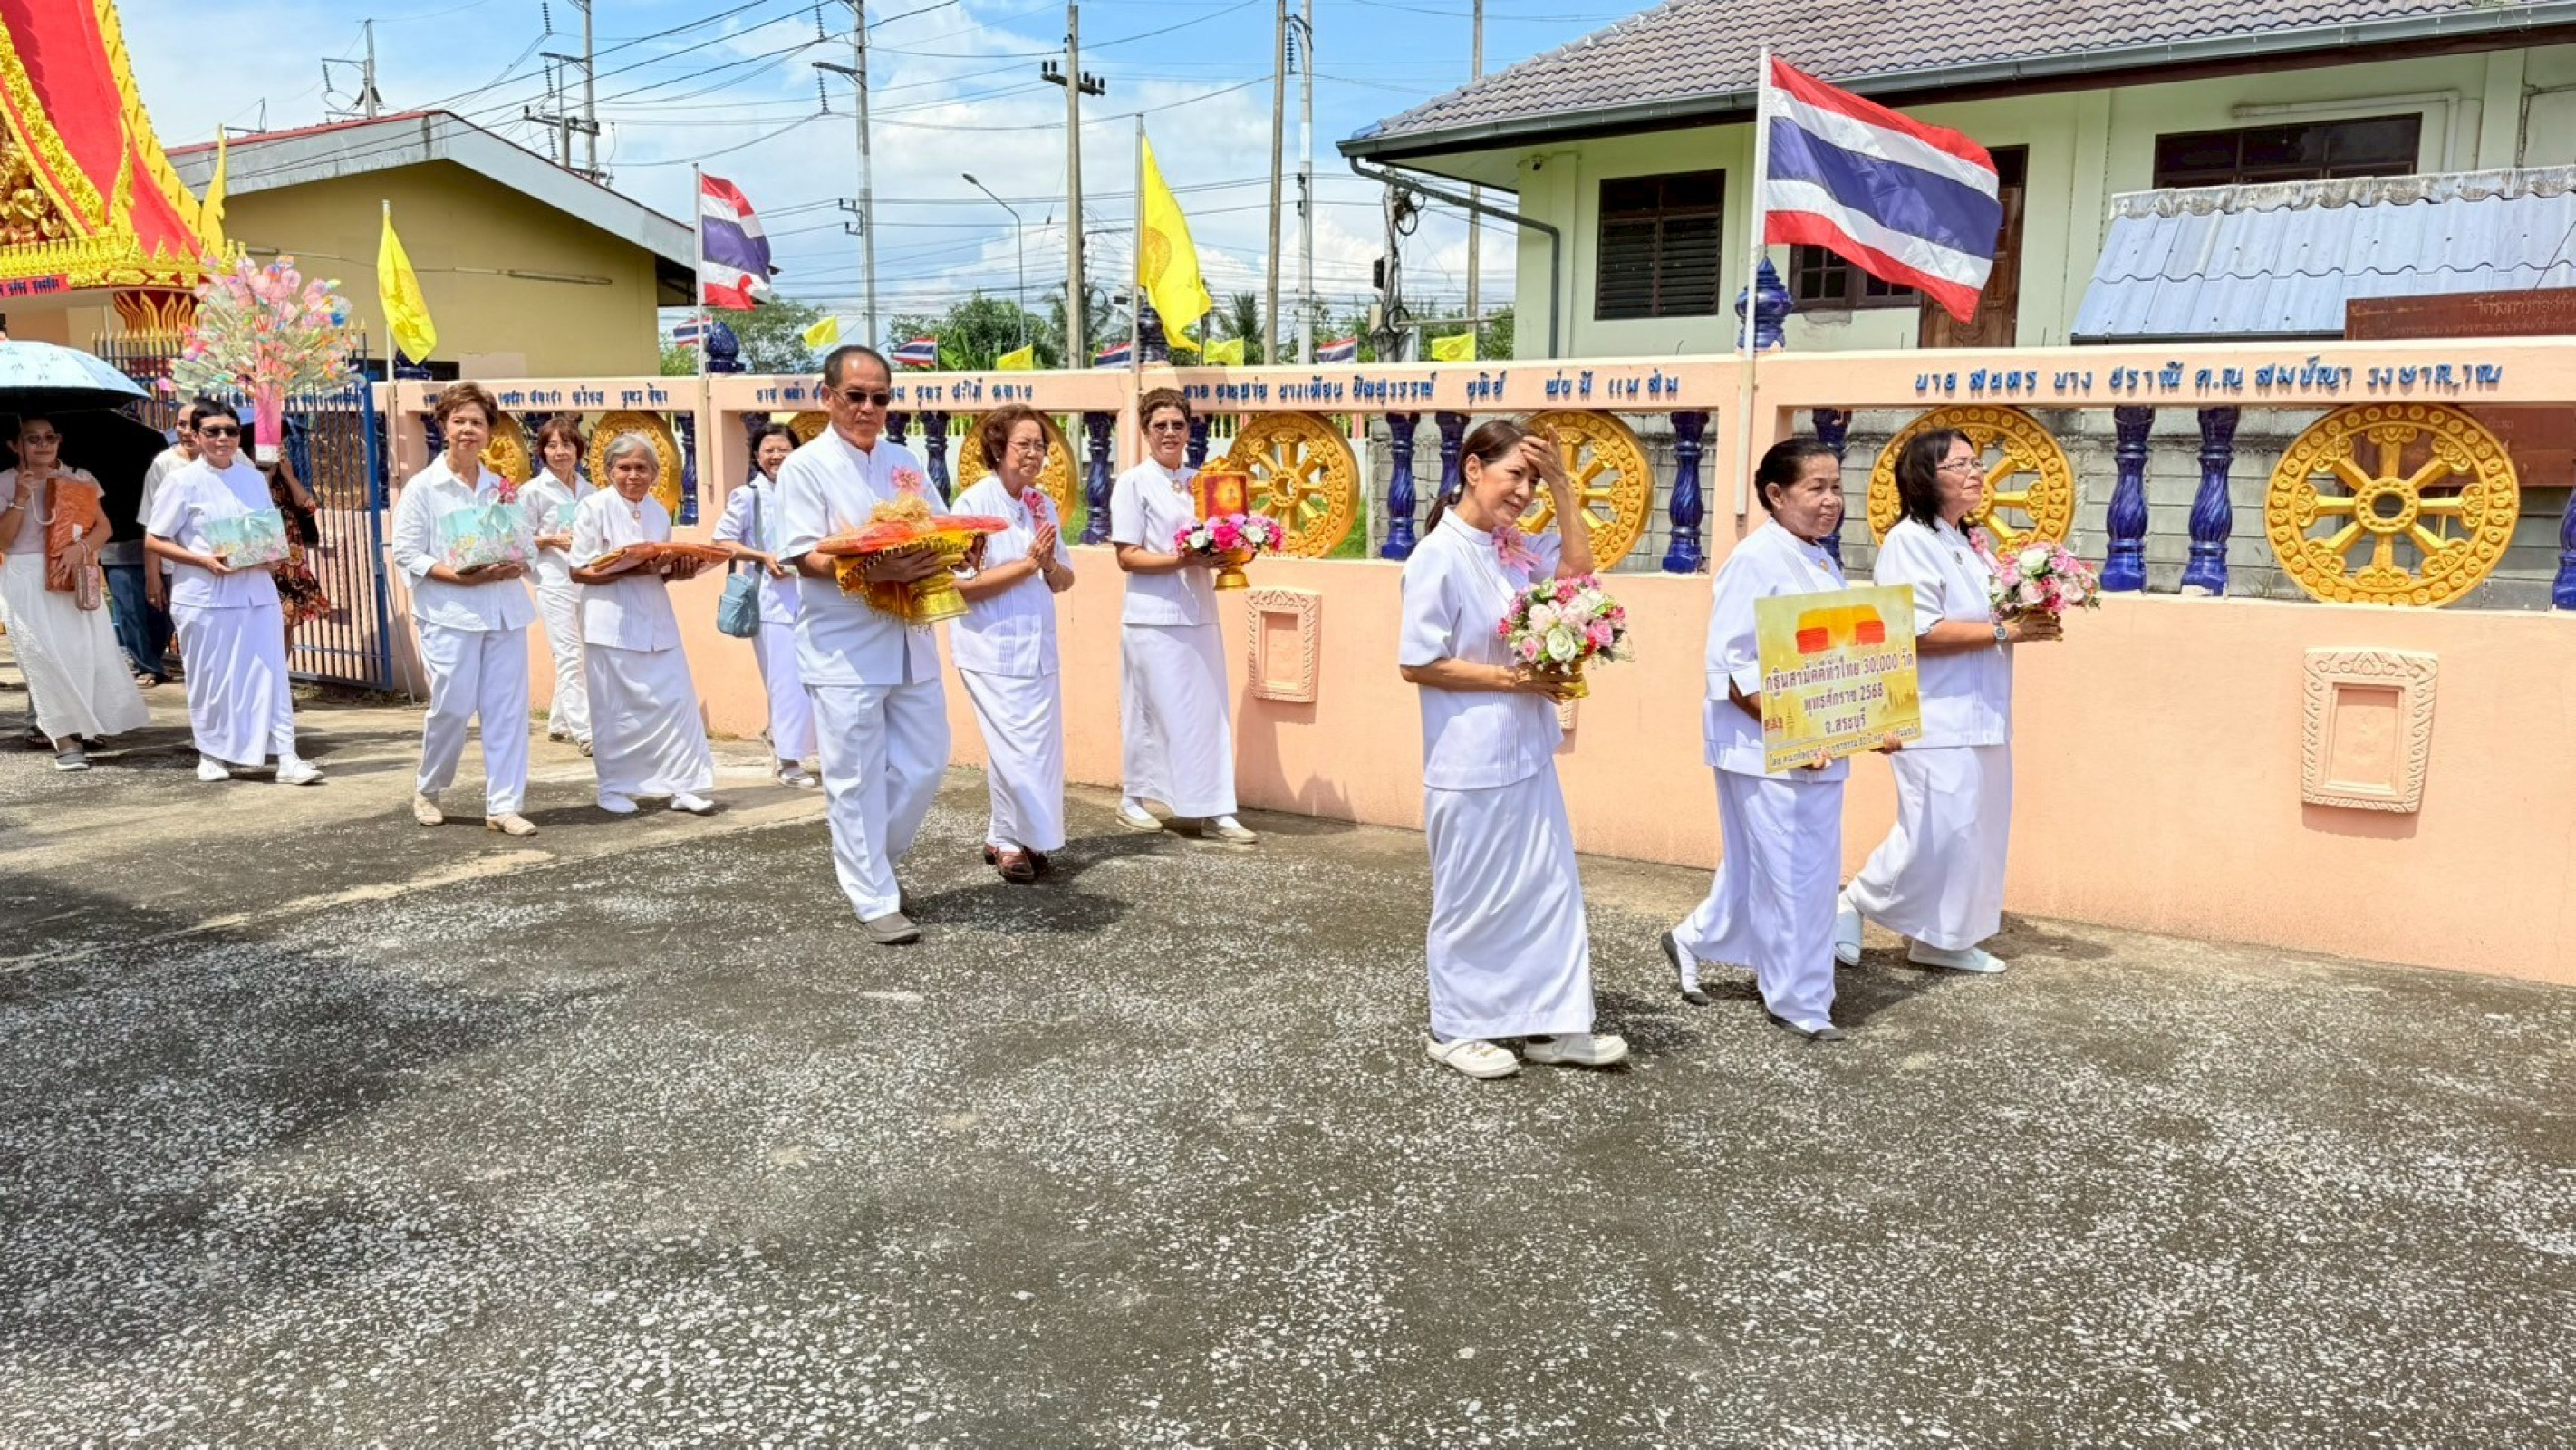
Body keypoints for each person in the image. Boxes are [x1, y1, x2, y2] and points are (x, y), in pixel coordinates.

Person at [1399, 420, 1627, 1078]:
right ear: (1472, 470)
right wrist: (1514, 678)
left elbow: (1579, 578)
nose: (1522, 491)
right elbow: (1418, 661)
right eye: (1514, 476)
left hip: (1525, 747)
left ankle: (1554, 1024)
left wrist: (1561, 486)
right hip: (1467, 754)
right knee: (1472, 896)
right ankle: (1454, 1027)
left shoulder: (1512, 549)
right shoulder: (1438, 556)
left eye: (1531, 479)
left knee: (1547, 888)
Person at [1662, 438, 1896, 1041]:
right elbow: (1731, 665)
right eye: (1815, 488)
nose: (1830, 501)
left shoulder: (1816, 557)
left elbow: (1835, 663)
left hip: (1809, 743)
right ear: (1775, 494)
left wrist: (1870, 726)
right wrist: (1792, 729)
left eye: (1835, 487)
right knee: (1798, 873)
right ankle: (1799, 1002)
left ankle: (1693, 938)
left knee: (1763, 867)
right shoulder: (1756, 558)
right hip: (1767, 745)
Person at [1838, 430, 2060, 974]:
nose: (1976, 472)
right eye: (1959, 464)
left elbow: (1990, 618)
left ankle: (1942, 937)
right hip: (1935, 712)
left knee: (1975, 832)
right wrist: (2009, 633)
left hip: (1984, 708)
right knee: (1934, 830)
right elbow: (1912, 631)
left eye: (1976, 462)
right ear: (1924, 477)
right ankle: (1852, 902)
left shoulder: (1968, 543)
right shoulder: (1909, 541)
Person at [776, 344, 954, 944]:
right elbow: (803, 552)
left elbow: (937, 523)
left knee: (925, 761)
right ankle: (873, 895)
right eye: (856, 396)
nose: (869, 408)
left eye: (880, 397)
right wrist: (875, 568)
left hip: (911, 633)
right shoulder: (805, 467)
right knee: (852, 776)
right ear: (828, 397)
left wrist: (937, 552)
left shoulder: (904, 459)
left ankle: (872, 863)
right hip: (843, 642)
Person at [389, 382, 539, 837]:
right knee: (452, 708)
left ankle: (504, 805)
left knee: (507, 710)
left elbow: (526, 547)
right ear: (444, 427)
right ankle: (430, 787)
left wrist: (517, 564)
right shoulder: (423, 488)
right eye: (460, 421)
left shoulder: (504, 488)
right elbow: (408, 553)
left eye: (477, 422)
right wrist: (457, 576)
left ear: (490, 431)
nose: (468, 430)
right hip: (450, 611)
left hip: (505, 611)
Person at [1107, 388, 1256, 845]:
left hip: (1199, 613)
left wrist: (1235, 547)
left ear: (1189, 430)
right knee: (1150, 713)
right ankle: (1135, 799)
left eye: (1178, 425)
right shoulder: (1133, 483)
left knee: (1206, 715)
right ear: (1146, 432)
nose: (1170, 433)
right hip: (1152, 617)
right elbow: (1128, 557)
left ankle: (1213, 809)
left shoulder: (1204, 482)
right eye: (1160, 426)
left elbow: (1222, 538)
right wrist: (1184, 560)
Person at [144, 401, 322, 785]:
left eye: (230, 431)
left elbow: (264, 532)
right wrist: (203, 560)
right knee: (212, 676)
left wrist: (271, 555)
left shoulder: (253, 478)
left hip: (256, 591)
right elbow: (155, 539)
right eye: (212, 431)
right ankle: (212, 753)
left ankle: (287, 756)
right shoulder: (181, 481)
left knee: (269, 673)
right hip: (205, 595)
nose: (222, 438)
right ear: (193, 435)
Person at [950, 406, 1074, 884]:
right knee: (1011, 749)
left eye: (1039, 445)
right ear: (999, 448)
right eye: (1023, 444)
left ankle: (1013, 834)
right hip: (990, 646)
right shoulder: (972, 507)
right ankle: (1009, 840)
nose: (1034, 453)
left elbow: (1064, 578)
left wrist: (1045, 566)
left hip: (1037, 646)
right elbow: (959, 583)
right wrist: (1026, 565)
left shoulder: (1040, 505)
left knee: (1038, 750)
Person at [570, 430, 717, 816]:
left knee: (676, 703)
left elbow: (658, 572)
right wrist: (631, 569)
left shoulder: (657, 510)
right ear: (608, 471)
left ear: (654, 473)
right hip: (610, 623)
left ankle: (684, 785)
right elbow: (579, 571)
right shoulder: (593, 507)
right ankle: (615, 788)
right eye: (624, 467)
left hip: (657, 620)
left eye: (641, 468)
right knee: (615, 709)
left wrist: (678, 572)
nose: (633, 475)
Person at [0, 416, 149, 770]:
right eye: (32, 438)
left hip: (72, 574)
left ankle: (83, 725)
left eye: (49, 437)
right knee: (43, 658)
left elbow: (104, 528)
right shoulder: (6, 482)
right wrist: (21, 497)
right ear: (14, 445)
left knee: (84, 653)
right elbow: (4, 540)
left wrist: (79, 549)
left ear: (60, 440)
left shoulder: (78, 479)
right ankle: (63, 738)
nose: (42, 444)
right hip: (25, 577)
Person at [713, 421, 817, 789]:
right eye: (768, 450)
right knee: (785, 681)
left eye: (783, 449)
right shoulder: (749, 496)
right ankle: (788, 762)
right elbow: (722, 541)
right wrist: (762, 555)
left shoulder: (807, 491)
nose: (776, 457)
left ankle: (791, 743)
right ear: (757, 457)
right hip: (771, 602)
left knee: (812, 681)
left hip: (811, 597)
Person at [107, 400, 198, 686]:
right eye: (181, 424)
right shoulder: (84, 444)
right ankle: (146, 664)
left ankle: (153, 660)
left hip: (166, 541)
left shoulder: (152, 442)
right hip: (115, 536)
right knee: (130, 608)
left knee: (163, 612)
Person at [519, 414, 593, 754]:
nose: (560, 451)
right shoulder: (532, 492)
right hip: (553, 581)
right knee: (569, 655)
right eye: (552, 445)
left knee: (584, 653)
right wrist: (551, 539)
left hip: (586, 578)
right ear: (542, 452)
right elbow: (517, 540)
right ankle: (586, 730)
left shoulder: (591, 492)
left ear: (578, 449)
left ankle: (560, 721)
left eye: (566, 444)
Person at [257, 447, 331, 650]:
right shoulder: (247, 478)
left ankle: (280, 678)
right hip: (262, 562)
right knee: (262, 627)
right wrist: (266, 477)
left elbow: (308, 505)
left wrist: (287, 474)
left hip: (289, 563)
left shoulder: (286, 477)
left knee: (285, 624)